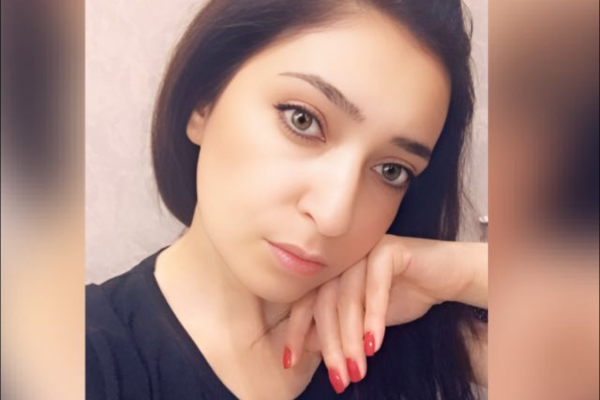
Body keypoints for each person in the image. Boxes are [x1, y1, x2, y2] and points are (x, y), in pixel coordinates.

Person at [86, 0, 488, 399]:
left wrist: (461, 272)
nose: (333, 216)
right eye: (303, 120)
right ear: (203, 103)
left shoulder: (394, 328)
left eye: (391, 170)